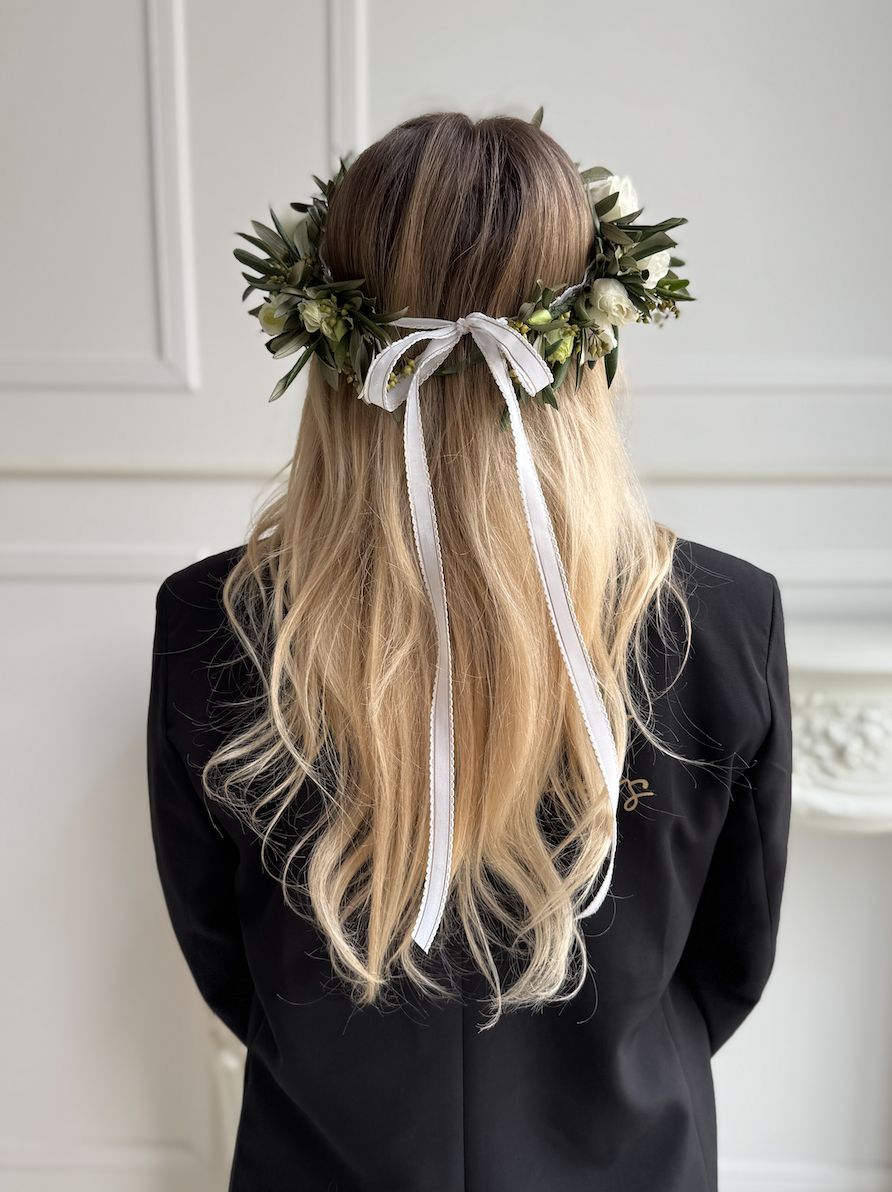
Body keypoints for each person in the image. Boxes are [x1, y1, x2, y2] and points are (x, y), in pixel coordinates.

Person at [147, 111, 792, 1192]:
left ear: (329, 344)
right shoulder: (726, 619)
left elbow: (226, 959)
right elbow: (732, 963)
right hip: (630, 1160)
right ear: (598, 336)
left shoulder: (210, 622)